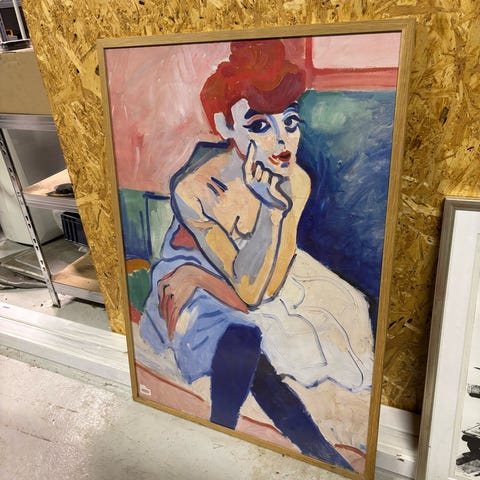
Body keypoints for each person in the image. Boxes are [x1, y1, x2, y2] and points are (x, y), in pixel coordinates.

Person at [139, 39, 373, 470]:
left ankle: (311, 451)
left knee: (345, 307)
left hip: (258, 276)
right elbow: (247, 294)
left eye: (290, 121)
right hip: (190, 273)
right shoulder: (195, 189)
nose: (282, 139)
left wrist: (275, 212)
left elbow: (264, 288)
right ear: (225, 127)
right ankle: (256, 437)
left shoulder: (295, 182)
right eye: (260, 126)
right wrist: (198, 277)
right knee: (241, 337)